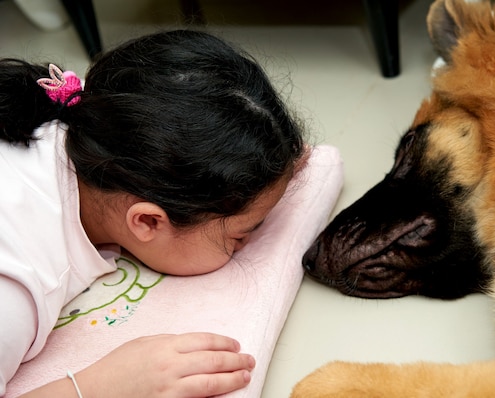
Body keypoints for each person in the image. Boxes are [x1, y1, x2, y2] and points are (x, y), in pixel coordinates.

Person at [0, 29, 306, 397]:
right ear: (147, 221)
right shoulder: (15, 290)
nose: (250, 244)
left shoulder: (93, 109)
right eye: (239, 235)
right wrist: (102, 386)